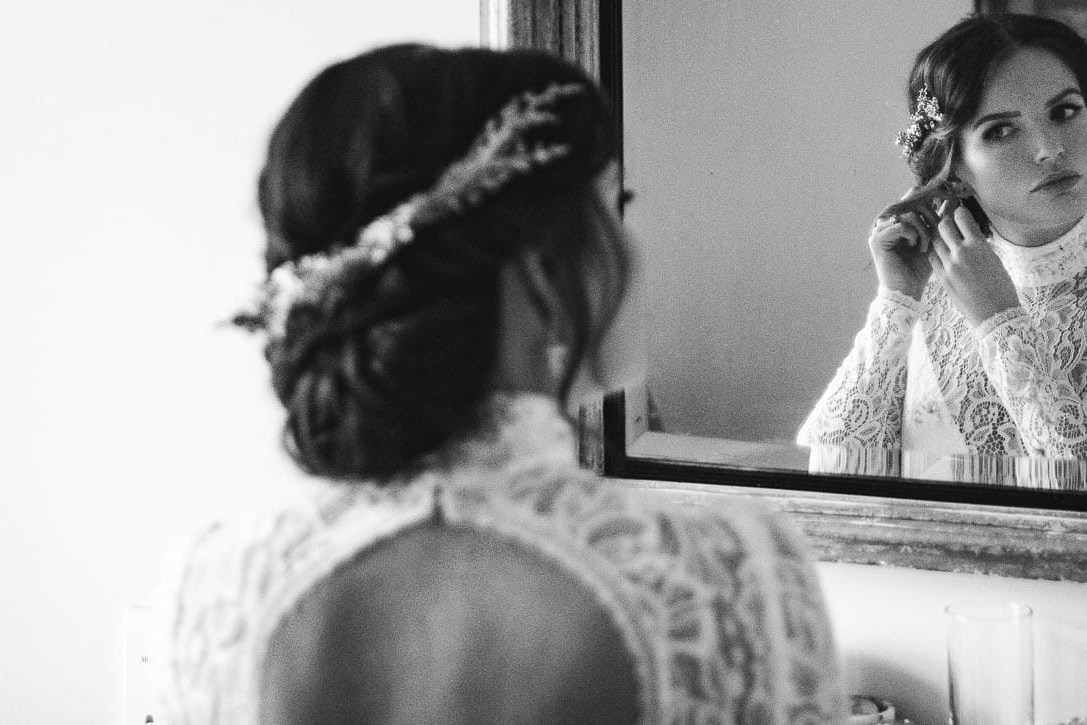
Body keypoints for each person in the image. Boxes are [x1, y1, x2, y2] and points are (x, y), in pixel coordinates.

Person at [165, 44, 846, 724]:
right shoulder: (725, 574)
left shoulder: (218, 583)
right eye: (619, 202)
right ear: (540, 262)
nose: (633, 241)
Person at [796, 14, 1087, 493]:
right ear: (956, 168)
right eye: (1001, 131)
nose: (1049, 149)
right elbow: (838, 489)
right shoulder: (927, 293)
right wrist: (897, 300)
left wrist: (1000, 320)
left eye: (1064, 112)